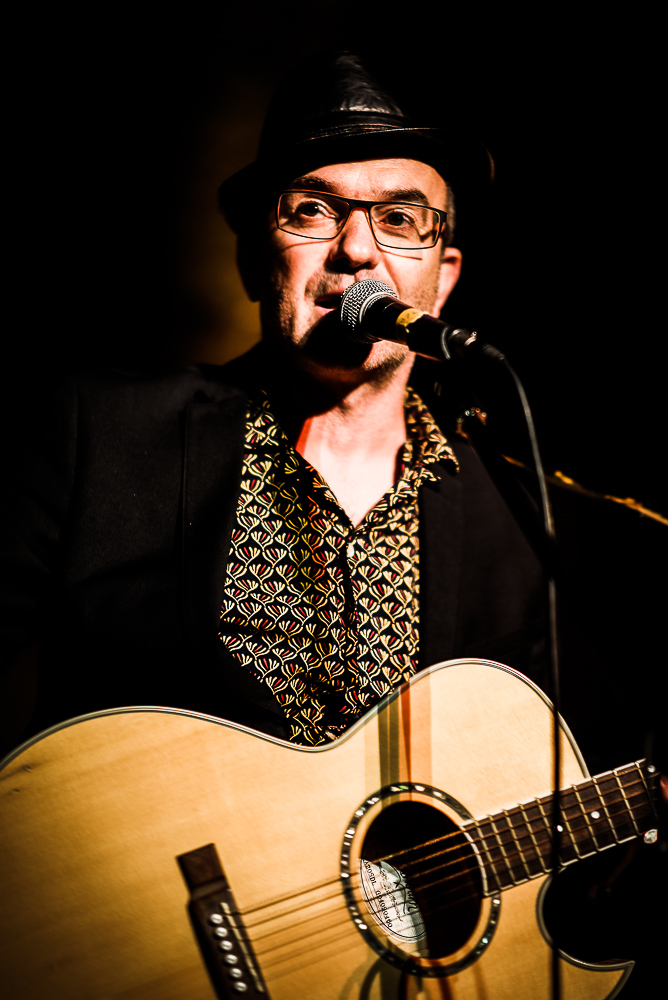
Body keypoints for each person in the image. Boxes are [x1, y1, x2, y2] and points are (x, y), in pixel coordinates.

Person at [1, 50, 664, 997]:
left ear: (442, 278)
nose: (357, 251)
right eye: (311, 209)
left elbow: (595, 872)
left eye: (400, 219)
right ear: (251, 257)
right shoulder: (100, 435)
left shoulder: (530, 528)